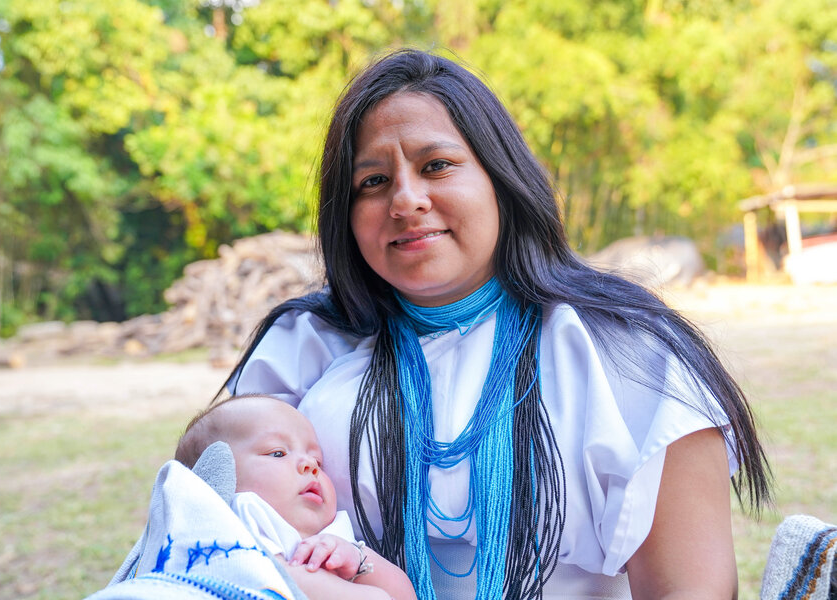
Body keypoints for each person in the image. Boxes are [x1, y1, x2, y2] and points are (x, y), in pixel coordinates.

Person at [220, 48, 771, 600]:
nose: (406, 200)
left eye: (437, 165)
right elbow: (210, 543)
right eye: (373, 181)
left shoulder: (631, 355)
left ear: (501, 179)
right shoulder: (300, 349)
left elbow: (690, 590)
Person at [173, 394, 416, 600]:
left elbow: (405, 595)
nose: (309, 464)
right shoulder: (242, 514)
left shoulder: (332, 536)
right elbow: (281, 580)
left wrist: (359, 561)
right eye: (278, 453)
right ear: (219, 474)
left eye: (318, 461)